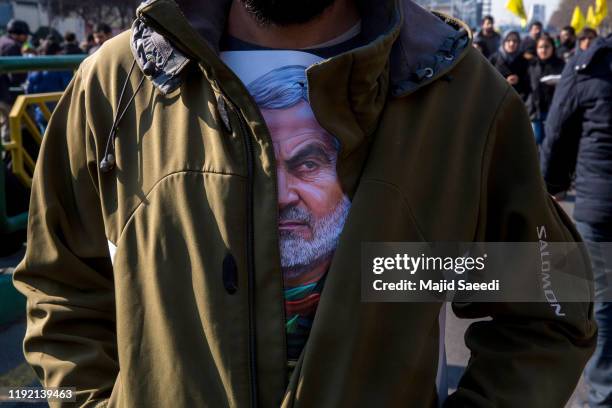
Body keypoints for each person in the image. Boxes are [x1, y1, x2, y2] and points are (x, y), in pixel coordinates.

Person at [13, 0, 596, 407]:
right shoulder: (118, 86)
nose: (287, 193)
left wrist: (409, 269)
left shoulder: (459, 99)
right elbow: (60, 288)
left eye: (312, 163)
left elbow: (548, 306)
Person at [541, 33, 612, 408]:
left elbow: (558, 130)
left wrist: (550, 183)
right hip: (600, 205)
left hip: (599, 207)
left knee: (603, 303)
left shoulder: (589, 66)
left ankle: (602, 398)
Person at [25, 37, 73, 133]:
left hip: (40, 112)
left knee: (44, 140)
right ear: (57, 52)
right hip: (60, 113)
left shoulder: (34, 66)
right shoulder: (62, 67)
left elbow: (28, 90)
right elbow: (69, 87)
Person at [526, 33, 565, 146]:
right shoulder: (532, 65)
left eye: (547, 47)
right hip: (534, 110)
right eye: (540, 47)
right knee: (535, 141)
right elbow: (527, 86)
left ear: (553, 47)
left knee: (551, 142)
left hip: (553, 109)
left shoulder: (560, 64)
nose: (543, 50)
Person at [0, 19, 30, 143]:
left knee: (5, 126)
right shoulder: (12, 46)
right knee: (11, 130)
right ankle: (9, 160)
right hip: (7, 95)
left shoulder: (2, 41)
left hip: (2, 93)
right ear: (18, 33)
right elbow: (17, 77)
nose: (27, 38)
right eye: (25, 34)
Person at [489, 30, 531, 100]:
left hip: (519, 99)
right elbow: (488, 79)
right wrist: (504, 81)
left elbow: (529, 81)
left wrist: (519, 80)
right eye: (508, 40)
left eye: (515, 41)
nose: (511, 44)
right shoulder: (494, 58)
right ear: (503, 42)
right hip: (497, 99)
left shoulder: (524, 60)